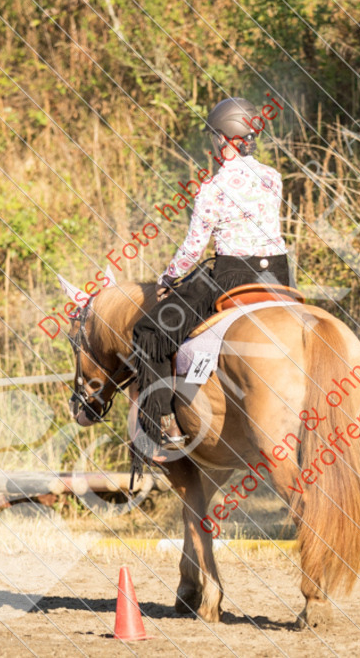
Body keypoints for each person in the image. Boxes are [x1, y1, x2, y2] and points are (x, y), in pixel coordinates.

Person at [131, 97, 292, 453]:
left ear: (223, 138)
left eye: (214, 137)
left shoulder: (212, 189)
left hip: (233, 275)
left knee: (149, 330)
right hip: (278, 276)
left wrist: (167, 279)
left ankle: (164, 422)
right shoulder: (273, 178)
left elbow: (193, 249)